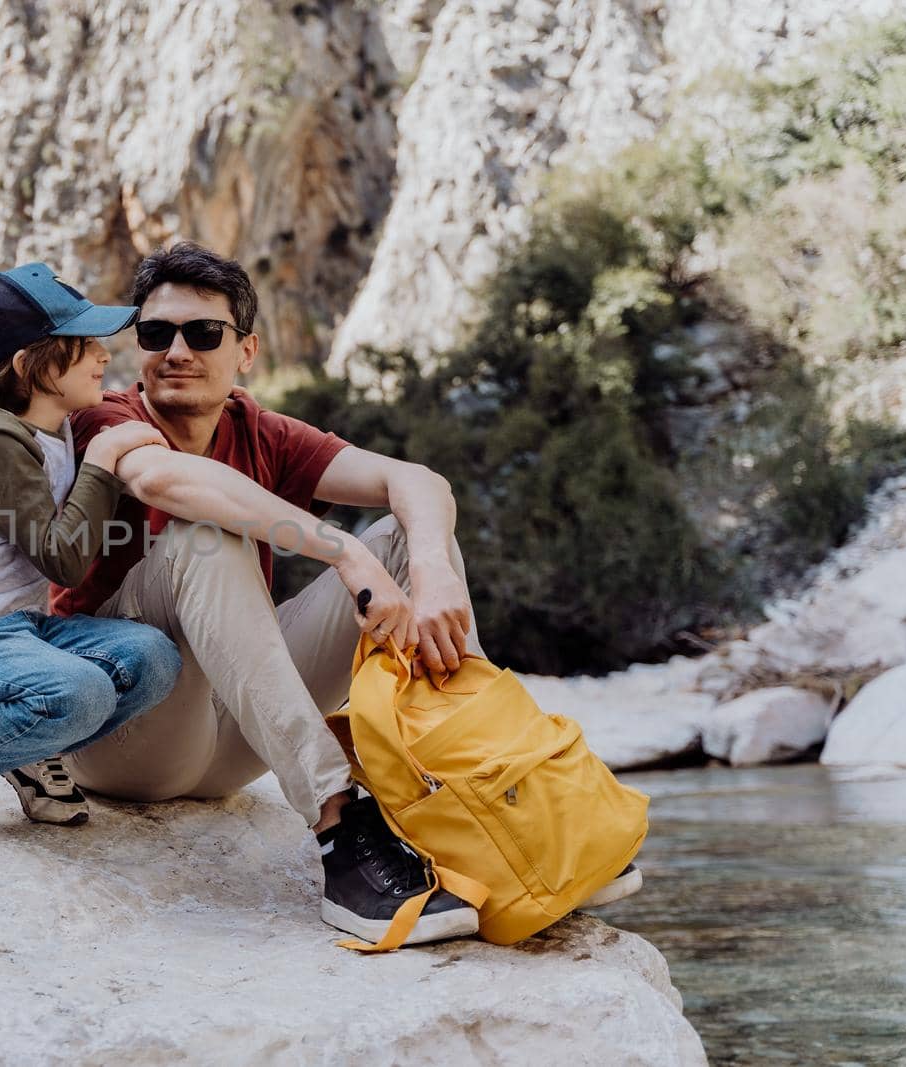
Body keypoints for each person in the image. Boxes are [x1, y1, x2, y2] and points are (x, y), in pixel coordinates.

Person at [50, 242, 640, 944]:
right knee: (205, 537)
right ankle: (340, 830)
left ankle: (487, 802)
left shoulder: (256, 429)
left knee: (407, 532)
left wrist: (432, 568)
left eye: (203, 333)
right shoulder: (107, 419)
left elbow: (418, 480)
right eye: (156, 334)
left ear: (245, 351)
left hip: (235, 738)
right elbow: (163, 482)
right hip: (125, 731)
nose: (177, 350)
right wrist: (340, 548)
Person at [0, 262, 182, 845]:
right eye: (82, 345)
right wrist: (105, 458)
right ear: (29, 365)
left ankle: (28, 751)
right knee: (81, 690)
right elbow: (63, 559)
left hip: (18, 635)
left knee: (152, 658)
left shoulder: (60, 425)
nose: (102, 355)